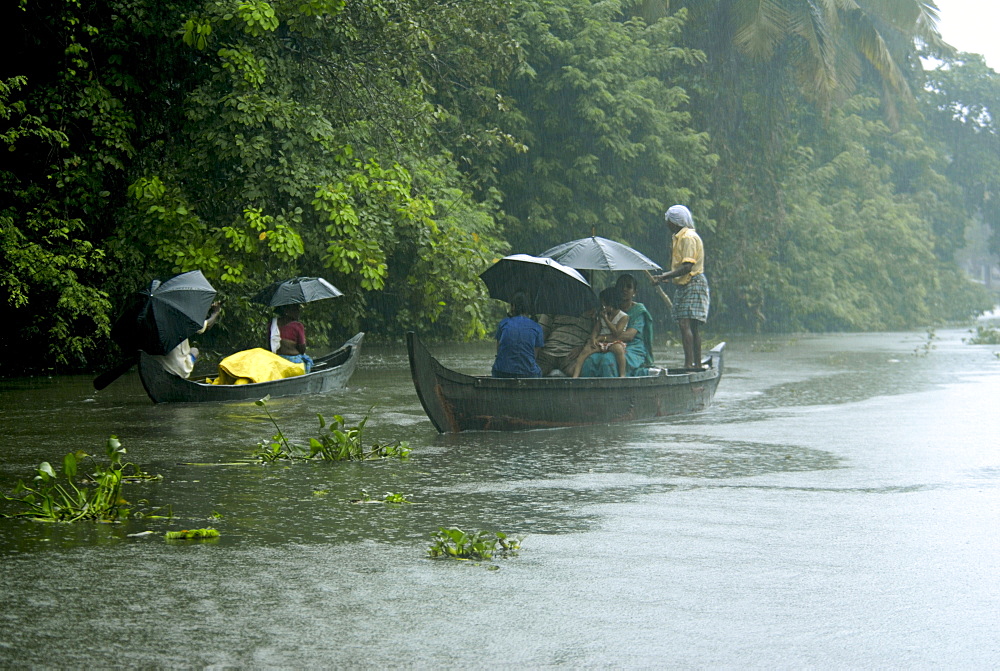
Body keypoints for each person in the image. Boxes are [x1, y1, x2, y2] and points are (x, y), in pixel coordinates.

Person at [652, 204, 709, 370]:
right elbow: (681, 268)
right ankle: (694, 363)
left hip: (693, 282)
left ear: (675, 222)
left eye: (668, 221)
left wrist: (664, 276)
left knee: (687, 324)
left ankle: (690, 364)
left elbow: (687, 267)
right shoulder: (678, 237)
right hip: (686, 283)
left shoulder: (687, 238)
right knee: (688, 325)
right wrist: (669, 278)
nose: (667, 225)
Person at [151, 301, 222, 378]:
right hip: (180, 370)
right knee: (194, 350)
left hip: (158, 367)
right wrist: (215, 312)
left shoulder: (153, 321)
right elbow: (207, 325)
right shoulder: (180, 318)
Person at [570, 287, 628, 378]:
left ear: (611, 304)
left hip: (614, 341)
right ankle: (575, 376)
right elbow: (596, 329)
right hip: (600, 342)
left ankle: (622, 374)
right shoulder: (601, 315)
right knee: (585, 351)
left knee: (619, 350)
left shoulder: (623, 317)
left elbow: (616, 333)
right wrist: (593, 339)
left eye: (605, 305)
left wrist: (606, 319)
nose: (603, 307)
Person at [491, 291, 544, 378]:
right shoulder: (537, 327)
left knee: (498, 365)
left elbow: (499, 351)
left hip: (502, 372)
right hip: (528, 374)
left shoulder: (504, 323)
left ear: (513, 306)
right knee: (538, 370)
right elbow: (534, 356)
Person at [536, 311, 593, 376]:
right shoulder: (551, 307)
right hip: (548, 351)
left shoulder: (590, 312)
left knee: (581, 372)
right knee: (534, 373)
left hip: (572, 354)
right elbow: (541, 332)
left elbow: (593, 337)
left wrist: (582, 348)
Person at [270, 303, 314, 373]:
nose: (298, 311)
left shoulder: (271, 324)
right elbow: (302, 349)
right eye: (296, 309)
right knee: (308, 361)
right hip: (294, 362)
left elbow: (269, 345)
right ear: (287, 310)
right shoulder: (297, 326)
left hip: (276, 360)